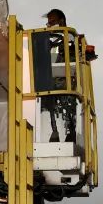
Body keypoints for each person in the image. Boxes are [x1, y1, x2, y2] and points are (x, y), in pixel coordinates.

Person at [41, 8, 76, 143]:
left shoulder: (70, 37)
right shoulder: (49, 39)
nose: (49, 25)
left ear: (61, 21)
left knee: (67, 105)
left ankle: (71, 132)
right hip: (51, 81)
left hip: (65, 81)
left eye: (52, 22)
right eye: (48, 23)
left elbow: (70, 60)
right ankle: (54, 132)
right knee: (48, 104)